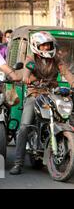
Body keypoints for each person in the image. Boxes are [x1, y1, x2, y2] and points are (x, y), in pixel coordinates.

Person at [10, 31, 74, 175]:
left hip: (52, 93)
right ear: (36, 46)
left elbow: (66, 72)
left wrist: (73, 83)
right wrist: (27, 78)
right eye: (43, 45)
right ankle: (18, 163)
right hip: (35, 93)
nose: (46, 48)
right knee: (25, 126)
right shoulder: (31, 58)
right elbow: (27, 71)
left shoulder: (56, 59)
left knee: (68, 117)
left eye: (48, 45)